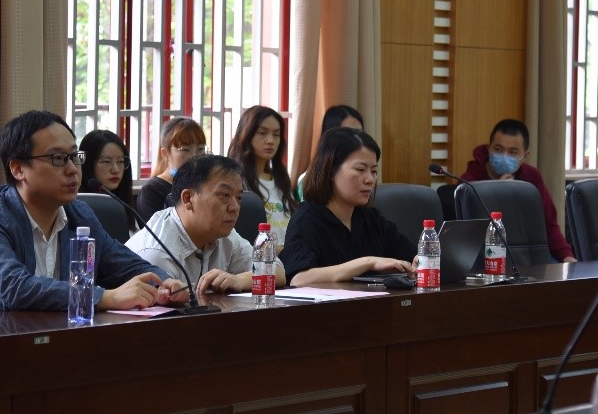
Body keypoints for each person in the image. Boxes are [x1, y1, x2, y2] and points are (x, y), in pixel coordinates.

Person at [0, 110, 189, 314]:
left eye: (74, 156)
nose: (73, 169)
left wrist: (164, 283)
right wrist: (105, 298)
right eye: (58, 158)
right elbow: (13, 289)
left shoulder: (79, 215)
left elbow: (125, 265)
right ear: (18, 168)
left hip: (54, 340)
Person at [127, 154, 286, 296]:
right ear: (188, 199)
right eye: (225, 195)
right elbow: (165, 314)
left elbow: (277, 271)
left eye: (238, 198)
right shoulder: (157, 252)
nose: (235, 207)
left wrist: (239, 280)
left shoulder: (222, 234)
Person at [281, 128, 415, 286]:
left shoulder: (371, 219)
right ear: (331, 171)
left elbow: (411, 257)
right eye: (360, 170)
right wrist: (368, 262)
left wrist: (420, 260)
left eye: (374, 171)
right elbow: (299, 279)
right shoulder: (306, 220)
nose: (370, 180)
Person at [459, 118, 576, 263]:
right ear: (489, 148)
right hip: (488, 257)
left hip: (528, 256)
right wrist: (496, 194)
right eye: (498, 149)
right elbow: (469, 235)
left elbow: (549, 225)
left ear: (524, 156)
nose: (504, 156)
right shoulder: (469, 182)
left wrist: (567, 256)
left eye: (512, 152)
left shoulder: (531, 177)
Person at [228, 106, 297, 245]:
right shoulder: (236, 180)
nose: (270, 140)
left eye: (276, 134)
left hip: (288, 255)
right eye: (262, 133)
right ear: (247, 134)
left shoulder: (282, 179)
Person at [136, 116, 208, 219]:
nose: (195, 156)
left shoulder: (205, 185)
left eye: (200, 149)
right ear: (165, 153)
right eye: (185, 149)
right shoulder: (152, 191)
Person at [80, 128, 139, 232]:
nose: (115, 170)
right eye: (106, 162)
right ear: (88, 164)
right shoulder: (78, 207)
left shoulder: (125, 204)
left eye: (120, 161)